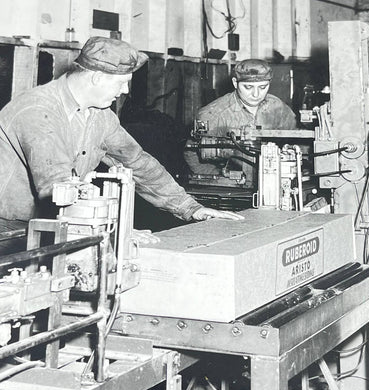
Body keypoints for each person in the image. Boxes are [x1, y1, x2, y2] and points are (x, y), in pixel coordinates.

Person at [0, 36, 242, 254]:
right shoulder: (38, 111)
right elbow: (58, 186)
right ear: (96, 77)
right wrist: (112, 229)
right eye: (122, 82)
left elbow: (137, 162)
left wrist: (190, 207)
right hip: (10, 234)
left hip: (57, 225)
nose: (125, 90)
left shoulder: (99, 115)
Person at [185, 58, 297, 175]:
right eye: (248, 87)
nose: (256, 94)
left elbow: (299, 142)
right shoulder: (213, 115)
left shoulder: (279, 109)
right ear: (235, 83)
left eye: (263, 87)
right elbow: (191, 153)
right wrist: (218, 178)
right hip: (232, 186)